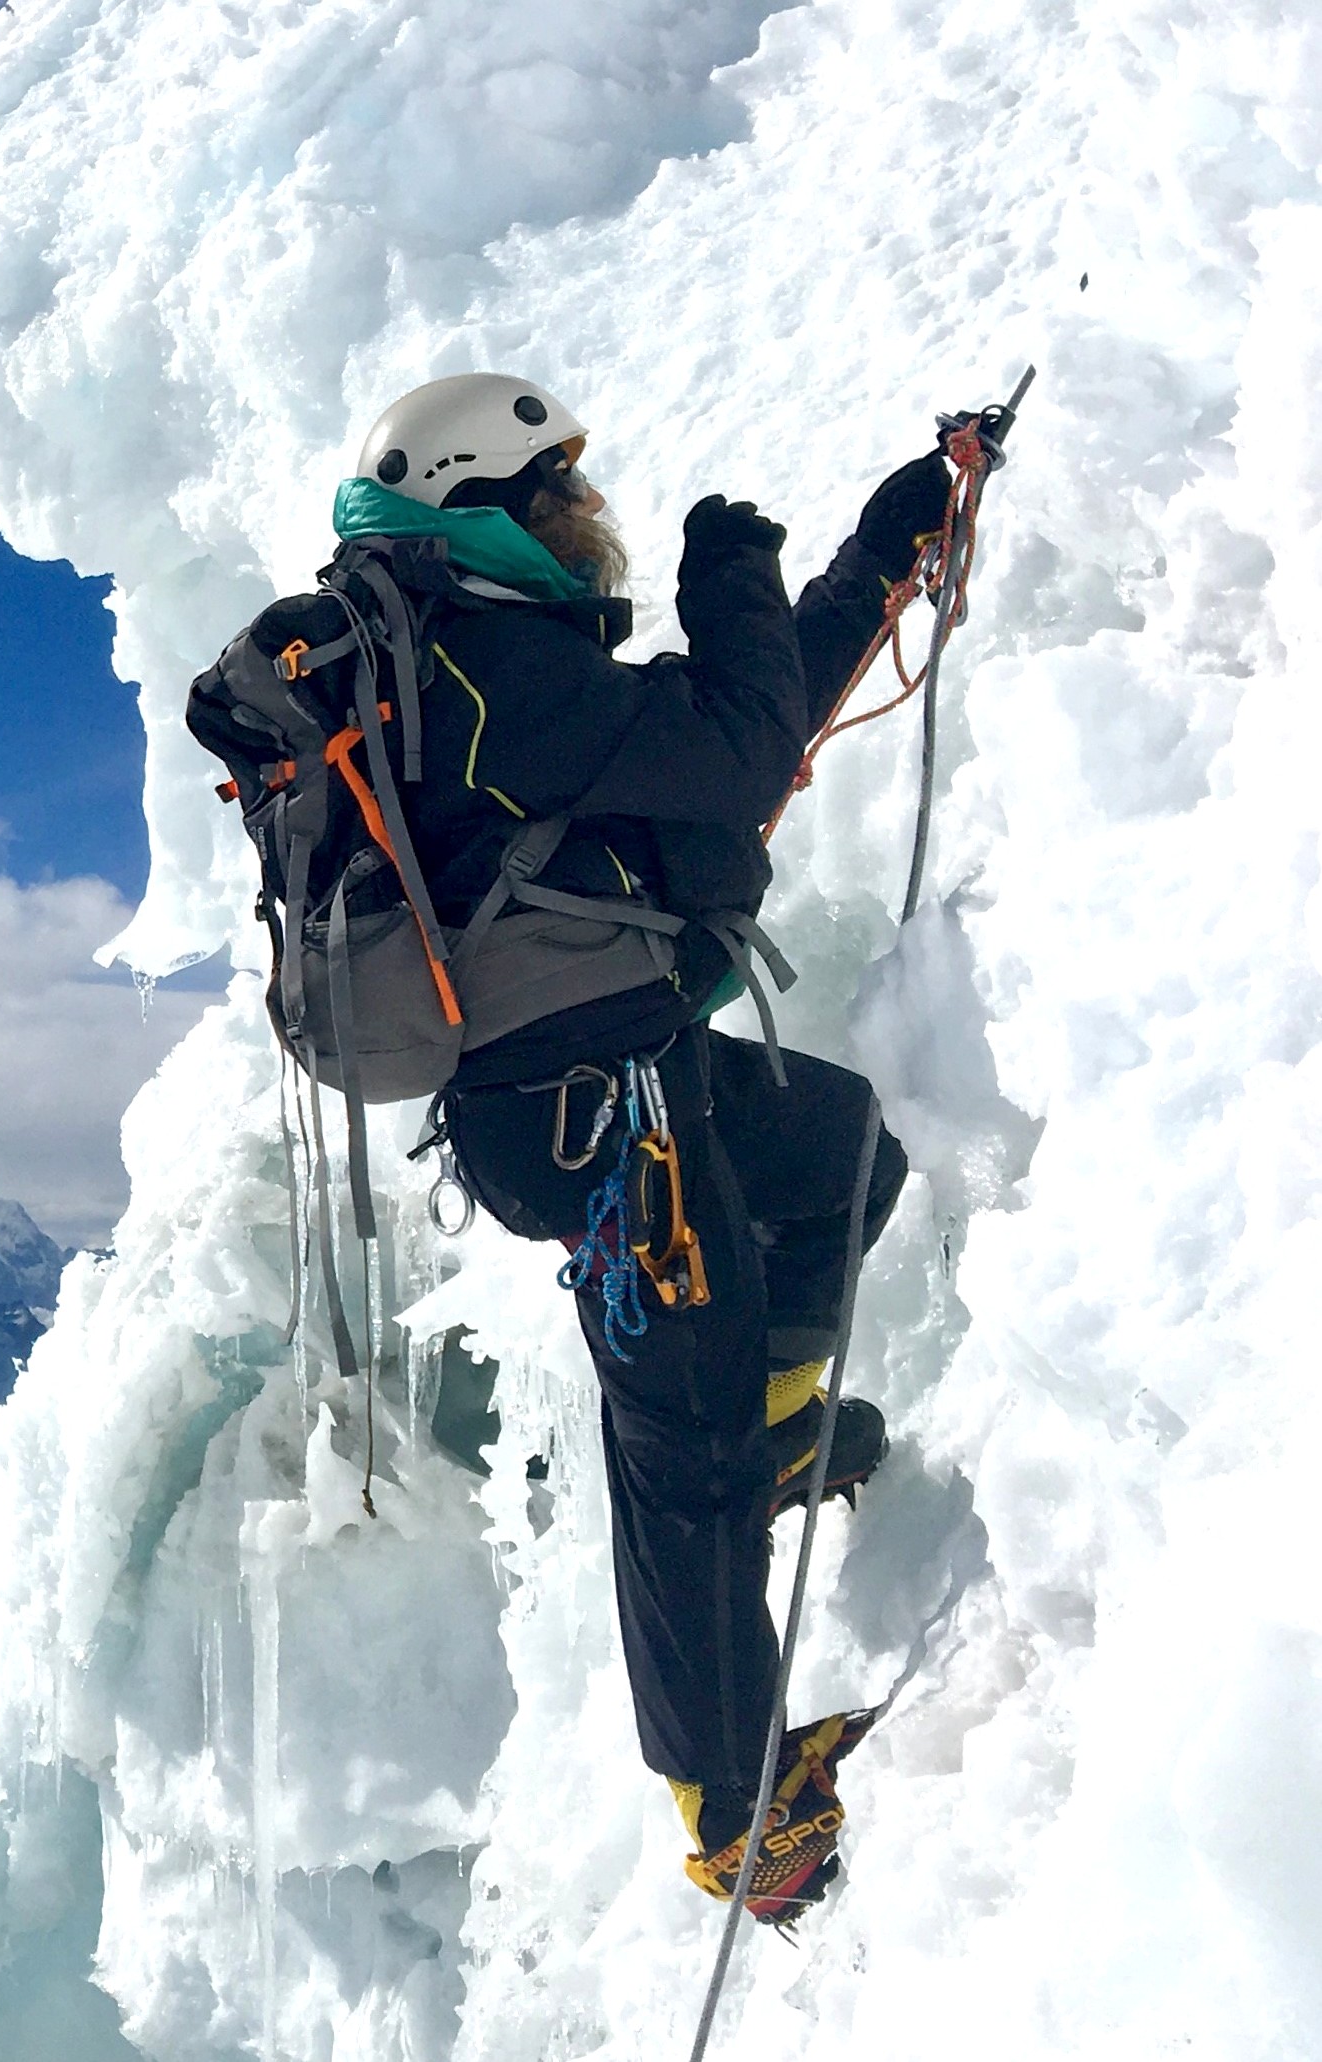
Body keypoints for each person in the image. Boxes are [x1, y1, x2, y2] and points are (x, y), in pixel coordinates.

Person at [338, 374, 949, 1921]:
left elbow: (732, 731)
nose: (584, 516)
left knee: (838, 1150)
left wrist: (883, 550)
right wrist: (729, 573)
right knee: (677, 1453)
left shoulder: (503, 670)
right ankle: (737, 1812)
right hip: (589, 1117)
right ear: (485, 509)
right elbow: (737, 754)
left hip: (622, 1073)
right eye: (560, 494)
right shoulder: (485, 679)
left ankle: (778, 1423)